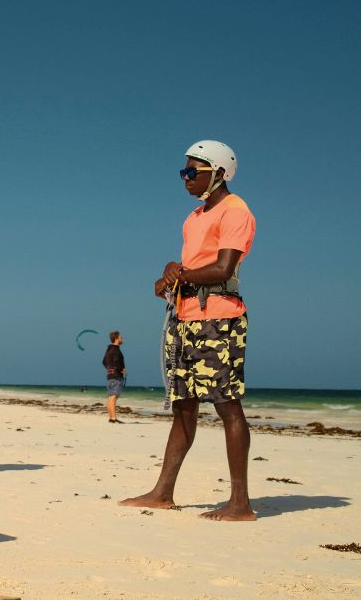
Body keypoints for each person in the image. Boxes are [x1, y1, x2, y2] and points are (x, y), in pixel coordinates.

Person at [120, 140, 257, 521]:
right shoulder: (195, 217)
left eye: (191, 172)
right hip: (186, 319)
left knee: (228, 406)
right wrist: (170, 270)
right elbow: (191, 263)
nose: (185, 179)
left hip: (220, 318)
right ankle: (163, 492)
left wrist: (179, 276)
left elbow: (223, 269)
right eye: (184, 172)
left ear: (218, 173)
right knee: (183, 405)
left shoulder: (236, 211)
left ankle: (240, 503)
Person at [103, 331, 126, 423]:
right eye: (121, 337)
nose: (122, 338)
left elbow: (104, 362)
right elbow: (116, 361)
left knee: (110, 397)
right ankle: (113, 418)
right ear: (116, 338)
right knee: (114, 397)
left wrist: (110, 369)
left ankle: (111, 417)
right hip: (116, 376)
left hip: (110, 376)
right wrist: (121, 370)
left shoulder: (109, 350)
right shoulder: (116, 350)